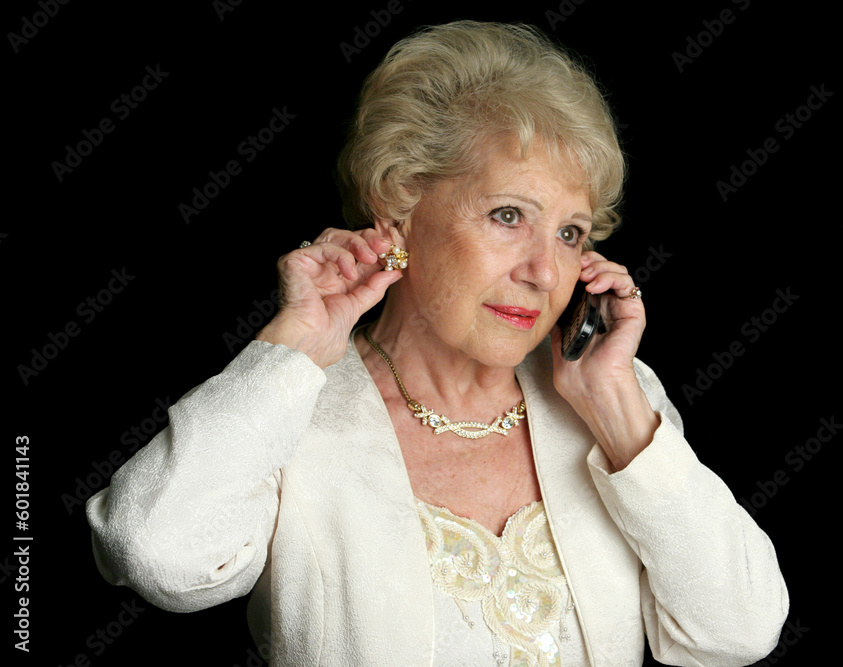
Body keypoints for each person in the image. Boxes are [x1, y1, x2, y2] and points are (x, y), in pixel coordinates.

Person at [86, 20, 789, 666]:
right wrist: (298, 342)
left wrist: (613, 402)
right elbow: (155, 553)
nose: (545, 271)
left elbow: (736, 628)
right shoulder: (292, 412)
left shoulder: (614, 403)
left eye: (571, 233)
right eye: (509, 214)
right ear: (399, 207)